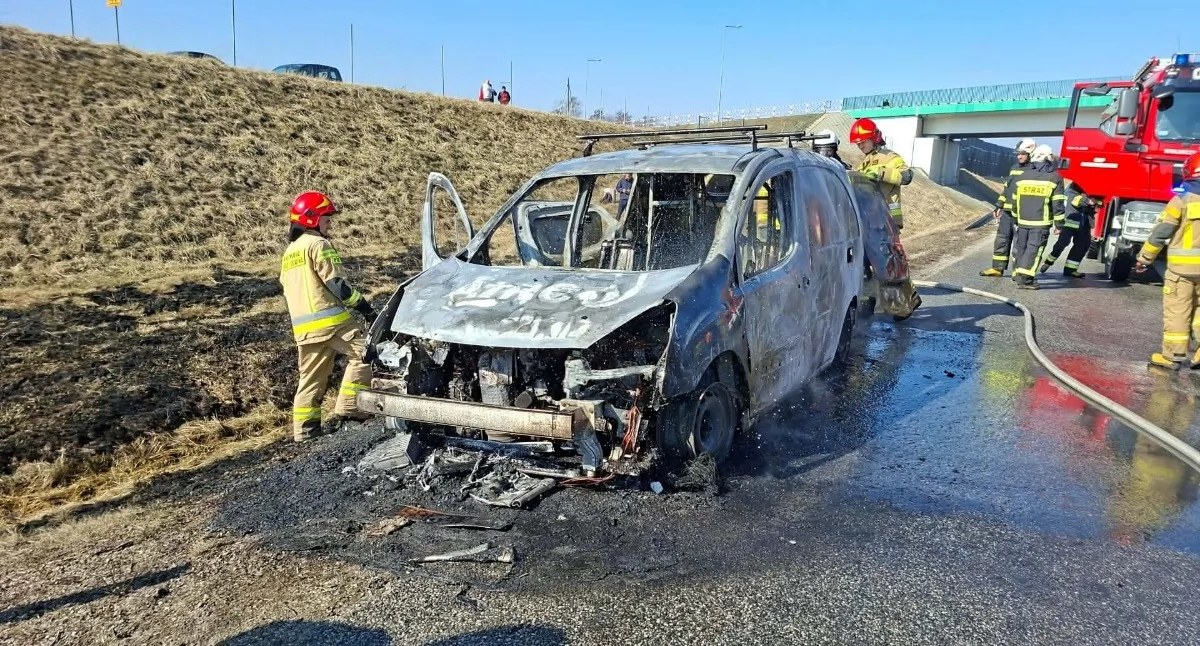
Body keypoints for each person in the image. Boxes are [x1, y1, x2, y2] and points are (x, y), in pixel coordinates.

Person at [280, 191, 377, 442]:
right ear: (311, 219)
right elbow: (336, 284)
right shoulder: (318, 244)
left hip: (304, 329)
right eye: (326, 218)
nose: (330, 223)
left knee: (311, 379)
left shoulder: (289, 253)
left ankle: (305, 432)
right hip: (332, 322)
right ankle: (351, 408)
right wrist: (365, 307)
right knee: (365, 353)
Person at [1134, 152, 1200, 370]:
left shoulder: (1182, 199)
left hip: (1182, 270)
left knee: (1178, 309)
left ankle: (1172, 356)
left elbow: (1161, 232)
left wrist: (1145, 257)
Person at [1002, 144, 1066, 289]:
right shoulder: (1054, 178)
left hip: (1022, 221)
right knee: (1034, 249)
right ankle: (1026, 279)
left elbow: (1015, 199)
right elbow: (1058, 204)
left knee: (1021, 247)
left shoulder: (1023, 175)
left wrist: (1016, 218)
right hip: (1041, 223)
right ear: (1049, 159)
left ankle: (1018, 274)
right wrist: (1059, 224)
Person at [981, 139, 1037, 277]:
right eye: (1018, 154)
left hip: (1022, 212)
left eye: (1023, 154)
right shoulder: (1014, 168)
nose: (1020, 157)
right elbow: (1007, 189)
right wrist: (999, 205)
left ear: (1031, 154)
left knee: (1020, 242)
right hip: (1007, 211)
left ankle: (1017, 270)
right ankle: (997, 268)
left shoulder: (1035, 170)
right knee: (1002, 238)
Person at [849, 117, 913, 230]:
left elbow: (907, 176)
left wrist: (881, 173)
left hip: (887, 221)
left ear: (874, 138)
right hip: (870, 220)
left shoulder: (889, 157)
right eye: (858, 144)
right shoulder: (865, 164)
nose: (860, 146)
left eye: (863, 142)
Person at [1040, 181, 1095, 278]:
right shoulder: (1073, 188)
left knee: (1082, 246)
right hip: (1070, 223)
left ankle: (1070, 269)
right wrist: (1088, 200)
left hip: (1084, 223)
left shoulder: (1090, 189)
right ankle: (1048, 262)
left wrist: (1096, 201)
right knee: (1062, 243)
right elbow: (1075, 200)